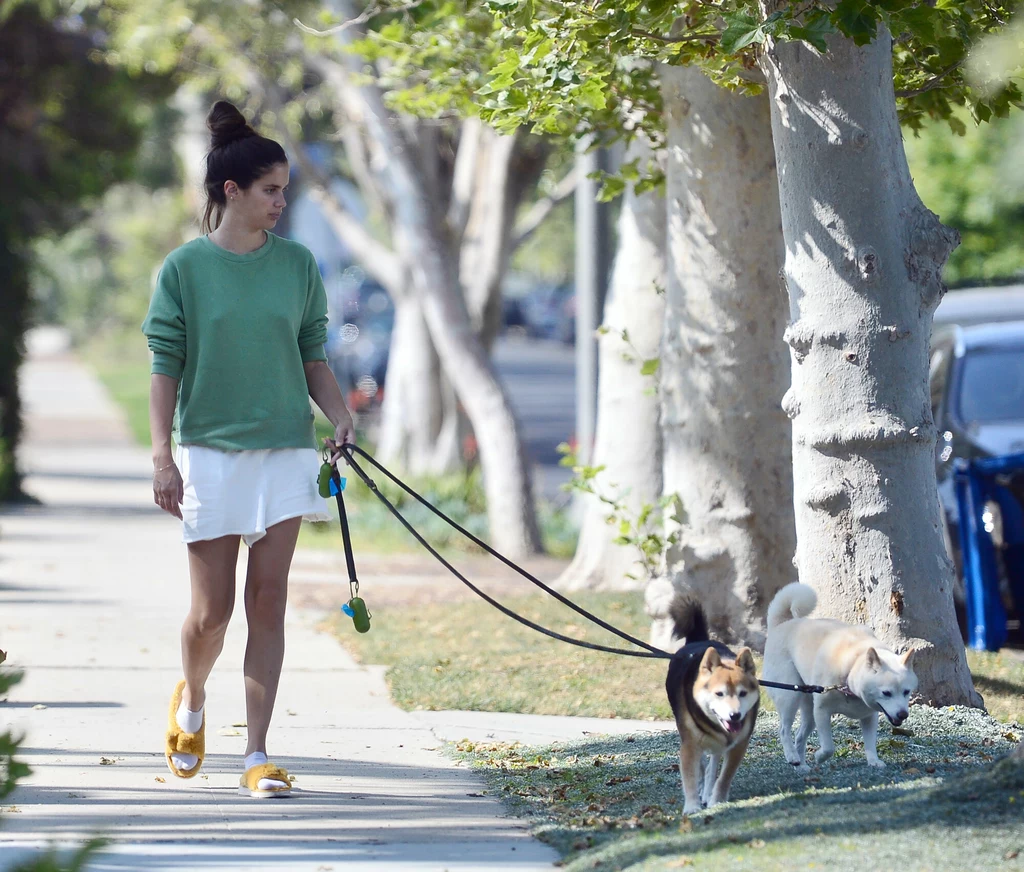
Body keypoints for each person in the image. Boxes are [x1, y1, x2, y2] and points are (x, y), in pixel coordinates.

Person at [142, 100, 355, 798]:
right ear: (231, 191)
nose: (280, 202)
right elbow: (164, 364)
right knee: (213, 613)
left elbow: (311, 354)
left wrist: (339, 413)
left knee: (269, 601)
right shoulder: (184, 269)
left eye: (283, 190)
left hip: (285, 452)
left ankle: (256, 752)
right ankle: (193, 701)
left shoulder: (297, 265)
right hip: (209, 452)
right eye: (270, 190)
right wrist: (161, 456)